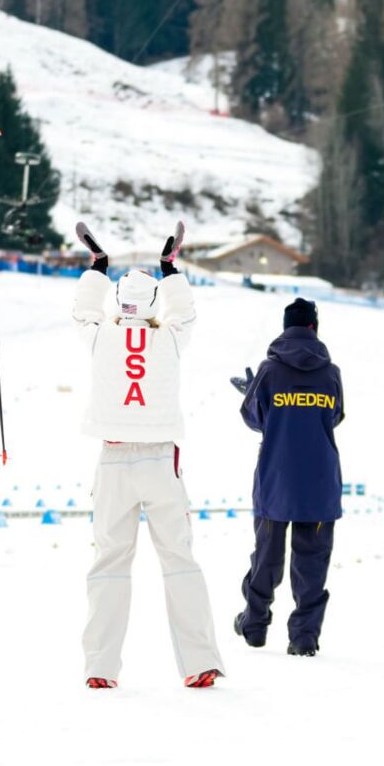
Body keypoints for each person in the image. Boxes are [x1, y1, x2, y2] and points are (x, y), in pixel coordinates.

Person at [72, 220, 224, 689]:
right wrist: (169, 270)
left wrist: (98, 269)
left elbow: (83, 313)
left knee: (109, 564)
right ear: (155, 305)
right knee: (179, 559)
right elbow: (187, 314)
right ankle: (198, 661)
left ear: (118, 304)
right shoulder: (170, 338)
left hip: (114, 459)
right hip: (161, 460)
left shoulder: (101, 336)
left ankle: (100, 667)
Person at [230, 298, 344, 657]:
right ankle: (304, 637)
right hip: (321, 479)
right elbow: (335, 416)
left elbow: (253, 418)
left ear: (286, 328)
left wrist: (255, 393)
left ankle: (255, 623)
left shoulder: (270, 370)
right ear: (314, 327)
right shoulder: (331, 373)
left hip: (277, 475)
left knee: (267, 553)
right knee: (312, 558)